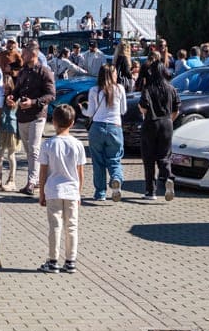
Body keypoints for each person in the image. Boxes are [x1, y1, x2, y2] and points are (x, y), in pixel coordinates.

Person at [37, 105, 85, 274]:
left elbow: (43, 170)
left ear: (54, 122)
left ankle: (53, 260)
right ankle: (71, 261)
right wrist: (78, 193)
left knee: (55, 226)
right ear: (72, 123)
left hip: (53, 190)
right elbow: (80, 172)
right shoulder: (78, 145)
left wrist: (41, 192)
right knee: (72, 226)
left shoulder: (48, 144)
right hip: (72, 191)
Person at [11, 41, 56, 195]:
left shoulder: (44, 72)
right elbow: (17, 90)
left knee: (34, 148)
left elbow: (51, 94)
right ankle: (36, 179)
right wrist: (12, 97)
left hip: (37, 115)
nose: (21, 56)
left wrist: (34, 102)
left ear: (33, 54)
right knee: (28, 149)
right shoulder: (23, 72)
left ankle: (31, 182)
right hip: (22, 115)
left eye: (24, 53)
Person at [137, 54, 180, 202]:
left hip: (151, 123)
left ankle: (151, 192)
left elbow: (143, 108)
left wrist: (144, 112)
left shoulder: (148, 88)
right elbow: (177, 110)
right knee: (164, 156)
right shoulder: (172, 89)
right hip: (167, 123)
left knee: (148, 158)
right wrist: (170, 120)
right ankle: (168, 177)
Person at [84, 64, 127, 201]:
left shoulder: (94, 90)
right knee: (115, 159)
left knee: (98, 162)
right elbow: (123, 110)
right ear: (112, 75)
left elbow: (90, 113)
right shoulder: (120, 89)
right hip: (114, 127)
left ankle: (100, 193)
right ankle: (116, 178)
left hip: (96, 128)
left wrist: (82, 110)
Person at [0, 52, 21, 191]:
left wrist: (11, 103)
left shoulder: (13, 99)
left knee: (11, 155)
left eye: (7, 88)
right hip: (1, 127)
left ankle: (12, 179)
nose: (4, 90)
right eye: (2, 88)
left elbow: (15, 110)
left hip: (11, 128)